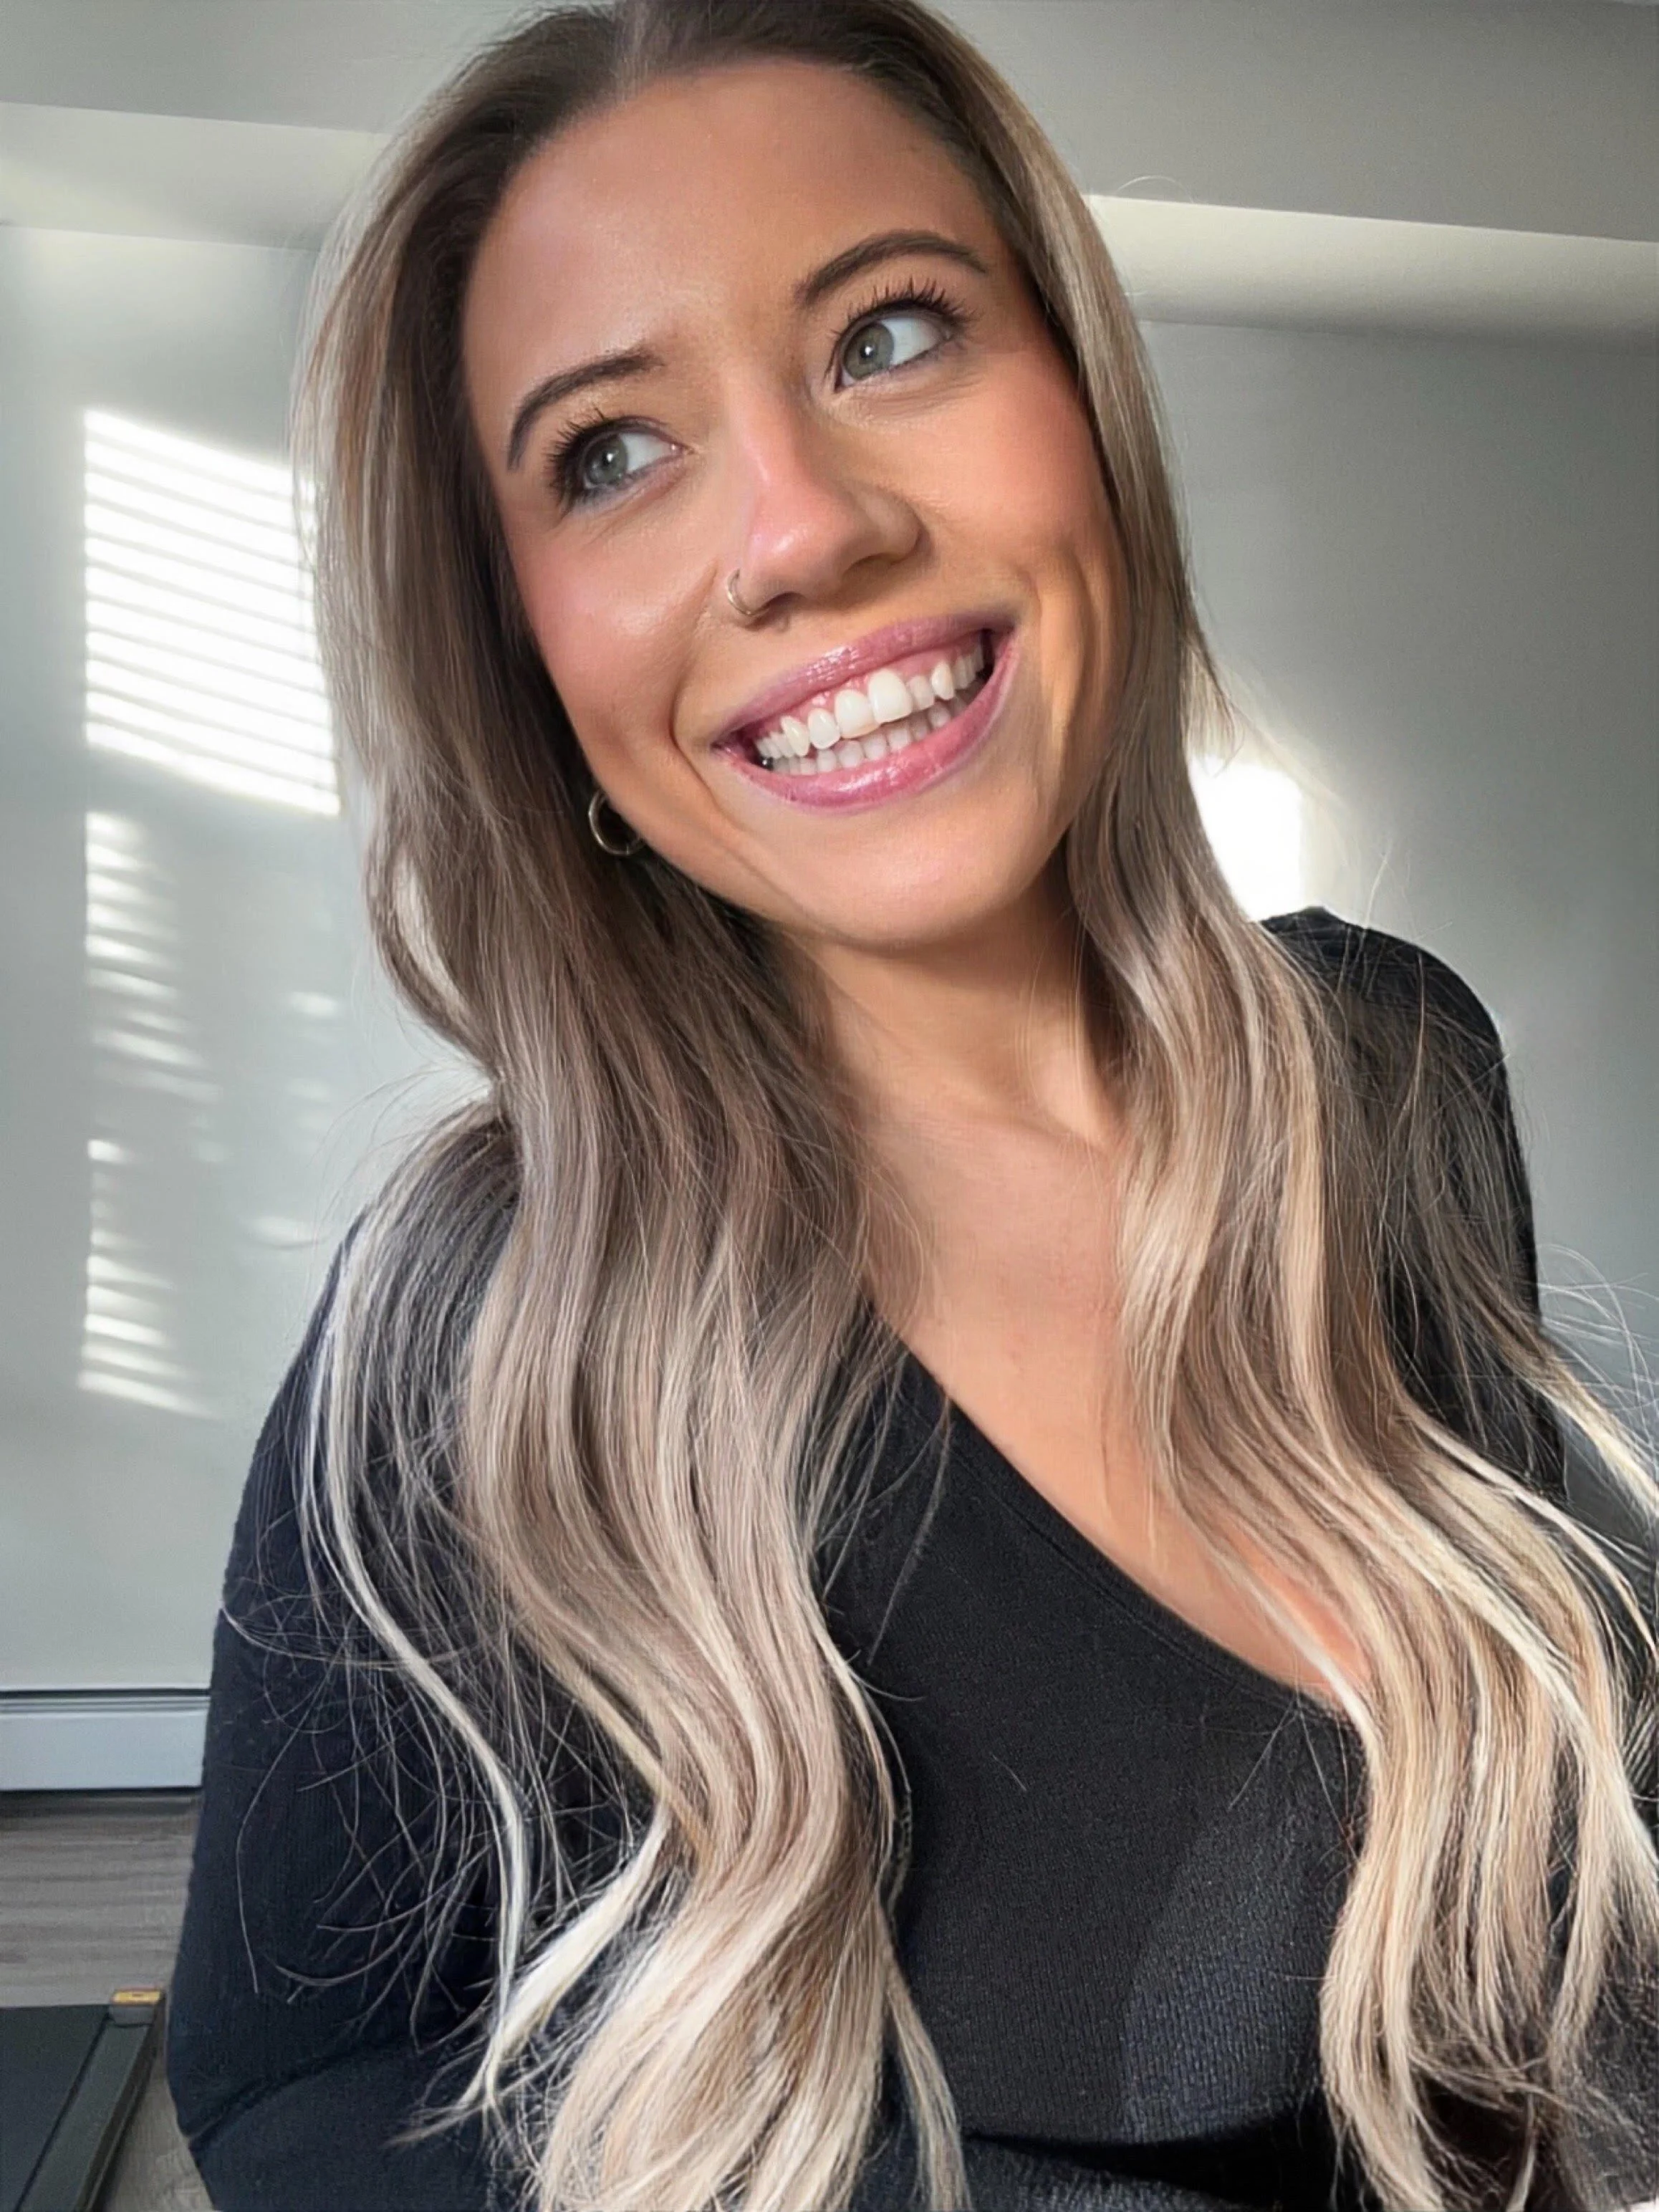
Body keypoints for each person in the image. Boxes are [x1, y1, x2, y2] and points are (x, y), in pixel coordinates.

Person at [165, 2, 1659, 2208]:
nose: (798, 530)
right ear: (521, 658)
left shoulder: (1389, 1064)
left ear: (1082, 398)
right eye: (608, 451)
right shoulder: (476, 1306)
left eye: (886, 334)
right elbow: (294, 2100)